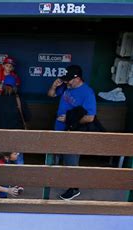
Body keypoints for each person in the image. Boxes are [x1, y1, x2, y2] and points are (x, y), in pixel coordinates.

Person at [47, 65, 96, 200]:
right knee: (64, 159)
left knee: (71, 161)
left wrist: (69, 119)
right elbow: (51, 94)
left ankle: (74, 189)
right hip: (59, 128)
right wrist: (54, 86)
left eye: (70, 80)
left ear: (78, 79)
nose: (67, 82)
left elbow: (90, 117)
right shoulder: (67, 86)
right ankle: (68, 181)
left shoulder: (87, 93)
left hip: (73, 131)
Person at [0, 75, 30, 164]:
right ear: (15, 87)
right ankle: (19, 177)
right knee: (18, 160)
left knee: (5, 160)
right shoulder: (19, 100)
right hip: (18, 135)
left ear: (3, 86)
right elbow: (28, 117)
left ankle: (6, 178)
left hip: (2, 136)